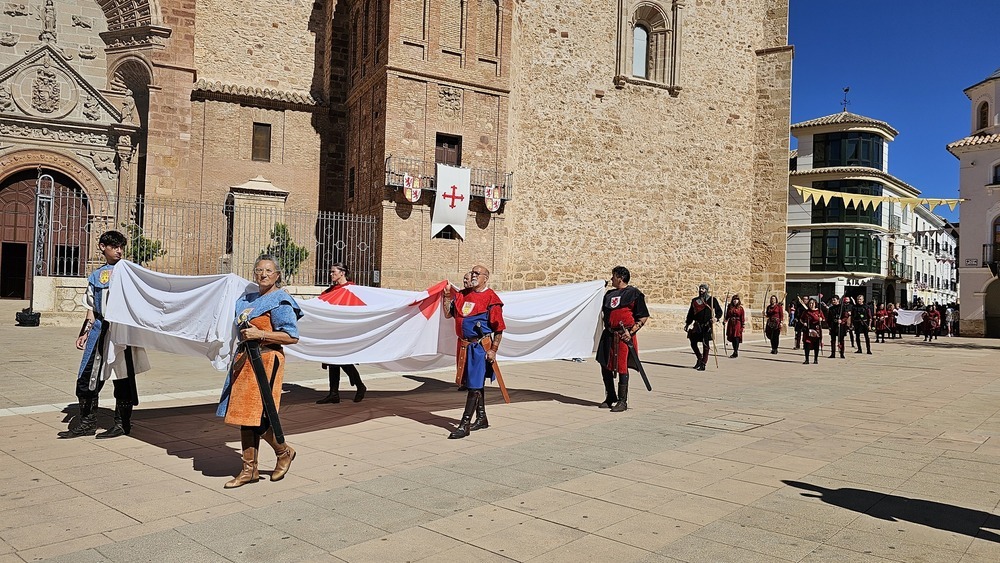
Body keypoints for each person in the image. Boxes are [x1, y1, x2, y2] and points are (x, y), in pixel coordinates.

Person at [217, 255, 302, 488]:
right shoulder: (247, 300)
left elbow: (291, 336)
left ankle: (282, 451)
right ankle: (249, 470)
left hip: (267, 359)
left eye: (268, 271)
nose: (263, 274)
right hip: (245, 360)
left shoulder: (281, 300)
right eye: (259, 270)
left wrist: (261, 334)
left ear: (277, 275)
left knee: (260, 415)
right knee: (245, 414)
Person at [59, 230, 149, 439]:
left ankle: (122, 424)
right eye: (114, 246)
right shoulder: (96, 276)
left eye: (121, 247)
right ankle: (87, 423)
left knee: (123, 378)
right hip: (100, 331)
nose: (119, 251)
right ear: (102, 247)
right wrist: (84, 333)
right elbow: (91, 307)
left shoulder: (130, 271)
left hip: (122, 331)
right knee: (87, 377)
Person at [443, 264, 505, 439]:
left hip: (480, 346)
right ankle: (482, 417)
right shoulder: (462, 295)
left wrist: (493, 350)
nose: (473, 275)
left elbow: (498, 328)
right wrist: (447, 295)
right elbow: (448, 314)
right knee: (473, 382)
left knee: (474, 385)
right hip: (463, 346)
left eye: (477, 273)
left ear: (486, 277)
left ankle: (465, 424)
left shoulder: (491, 298)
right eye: (472, 272)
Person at [595, 266, 649, 412]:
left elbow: (643, 316)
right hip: (609, 335)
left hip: (624, 336)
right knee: (604, 364)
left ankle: (622, 401)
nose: (611, 279)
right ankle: (610, 396)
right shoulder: (609, 294)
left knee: (622, 366)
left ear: (620, 277)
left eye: (613, 276)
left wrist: (631, 333)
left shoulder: (634, 294)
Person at [316, 262, 367, 404]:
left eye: (334, 272)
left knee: (342, 360)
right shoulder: (330, 291)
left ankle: (359, 386)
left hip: (346, 331)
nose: (331, 274)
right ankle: (334, 393)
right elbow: (318, 304)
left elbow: (360, 309)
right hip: (332, 331)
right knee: (333, 361)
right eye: (331, 272)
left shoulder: (352, 290)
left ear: (342, 273)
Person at [685, 283, 722, 371]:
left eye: (703, 289)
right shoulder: (695, 301)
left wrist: (716, 318)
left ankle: (703, 363)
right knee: (693, 342)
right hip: (697, 325)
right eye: (700, 288)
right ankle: (699, 357)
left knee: (706, 344)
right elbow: (691, 313)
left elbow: (719, 311)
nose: (701, 290)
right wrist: (687, 323)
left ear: (706, 290)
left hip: (707, 326)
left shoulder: (712, 300)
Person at [796, 296, 825, 364]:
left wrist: (821, 319)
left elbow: (823, 319)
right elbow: (801, 319)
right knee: (807, 344)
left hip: (816, 329)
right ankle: (807, 359)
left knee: (816, 345)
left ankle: (815, 359)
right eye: (810, 303)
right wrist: (804, 323)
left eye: (812, 303)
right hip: (808, 329)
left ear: (815, 304)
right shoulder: (806, 312)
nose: (811, 305)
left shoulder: (819, 311)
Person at [820, 295, 846, 359]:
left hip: (840, 326)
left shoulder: (842, 307)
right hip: (833, 326)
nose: (833, 301)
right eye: (832, 300)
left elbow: (846, 316)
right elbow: (828, 318)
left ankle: (841, 353)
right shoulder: (831, 308)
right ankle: (833, 353)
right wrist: (829, 326)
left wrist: (842, 320)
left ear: (838, 300)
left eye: (834, 300)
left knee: (841, 340)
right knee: (833, 340)